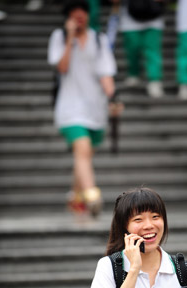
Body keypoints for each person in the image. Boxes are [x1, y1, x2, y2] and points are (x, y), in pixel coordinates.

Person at [47, 0, 116, 216]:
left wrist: (113, 97)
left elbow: (106, 73)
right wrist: (69, 38)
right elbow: (62, 66)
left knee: (83, 156)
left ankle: (75, 196)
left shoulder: (99, 39)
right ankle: (92, 196)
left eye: (82, 14)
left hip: (95, 107)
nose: (79, 18)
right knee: (83, 148)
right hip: (69, 107)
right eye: (74, 15)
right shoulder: (59, 38)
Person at [110, 0, 165, 98]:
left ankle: (154, 80)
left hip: (153, 17)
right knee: (132, 49)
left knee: (153, 52)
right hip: (130, 19)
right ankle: (133, 73)